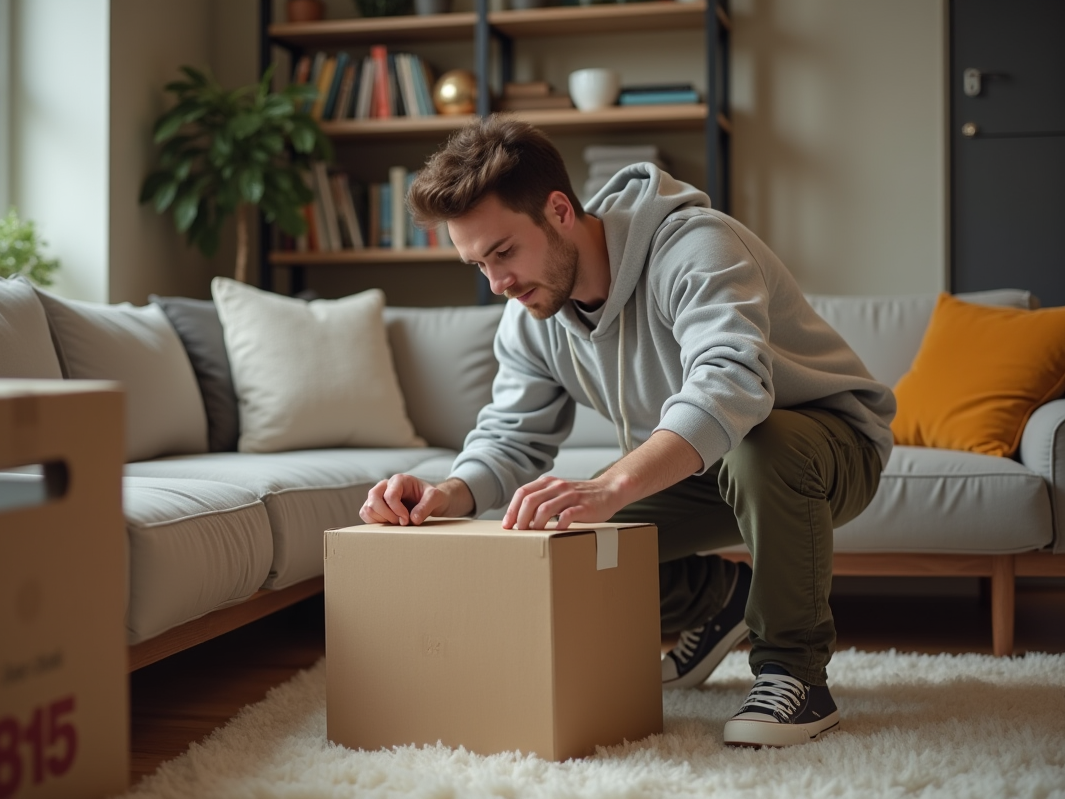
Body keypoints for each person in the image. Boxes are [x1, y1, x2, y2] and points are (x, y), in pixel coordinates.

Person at [359, 116, 895, 748]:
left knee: (759, 447)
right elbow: (511, 436)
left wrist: (614, 484)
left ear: (558, 209)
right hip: (703, 467)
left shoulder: (693, 245)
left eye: (503, 252)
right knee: (562, 534)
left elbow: (734, 382)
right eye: (478, 264)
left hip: (825, 448)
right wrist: (446, 494)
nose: (498, 283)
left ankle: (794, 673)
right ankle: (718, 597)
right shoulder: (530, 315)